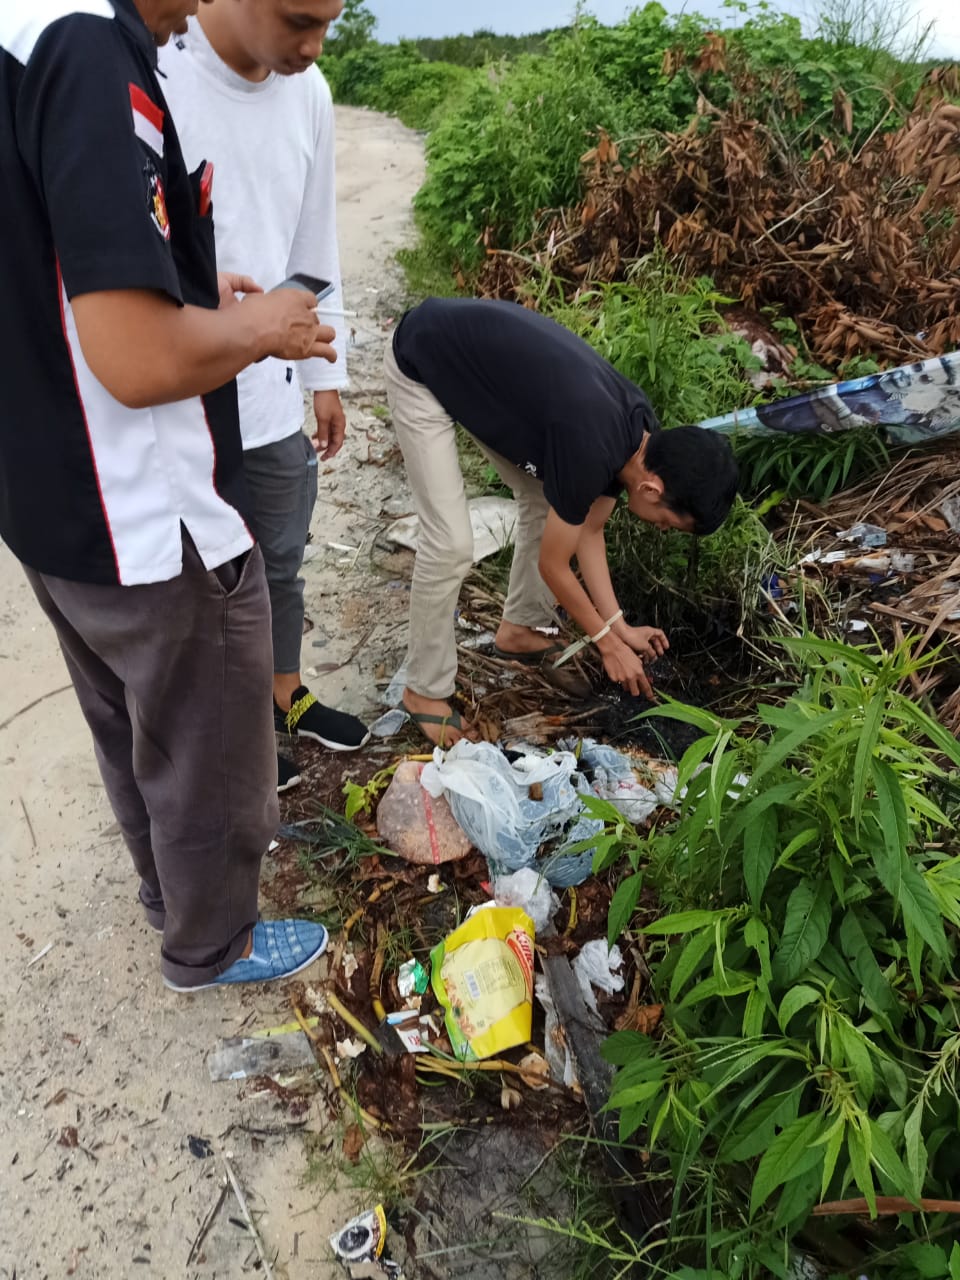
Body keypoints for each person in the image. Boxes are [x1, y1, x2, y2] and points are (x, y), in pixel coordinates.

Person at [0, 0, 337, 991]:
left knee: (127, 719)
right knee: (213, 745)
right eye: (300, 14)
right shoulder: (90, 51)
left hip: (47, 497)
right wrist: (264, 325)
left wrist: (187, 285)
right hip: (143, 507)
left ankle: (166, 891)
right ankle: (212, 941)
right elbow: (139, 359)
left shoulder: (21, 34)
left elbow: (51, 261)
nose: (192, 7)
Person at [159, 0, 369, 797]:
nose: (313, 48)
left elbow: (317, 242)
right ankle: (237, 729)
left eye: (328, 25)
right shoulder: (161, 66)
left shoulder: (308, 93)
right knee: (209, 587)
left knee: (281, 562)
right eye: (297, 21)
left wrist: (325, 374)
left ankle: (286, 693)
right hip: (184, 399)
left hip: (277, 396)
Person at [384, 298, 740, 746]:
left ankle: (520, 630)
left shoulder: (638, 436)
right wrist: (606, 644)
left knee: (541, 499)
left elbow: (588, 530)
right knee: (452, 542)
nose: (663, 529)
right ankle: (423, 691)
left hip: (482, 375)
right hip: (424, 361)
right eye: (670, 522)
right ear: (652, 490)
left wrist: (620, 627)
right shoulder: (593, 447)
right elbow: (554, 566)